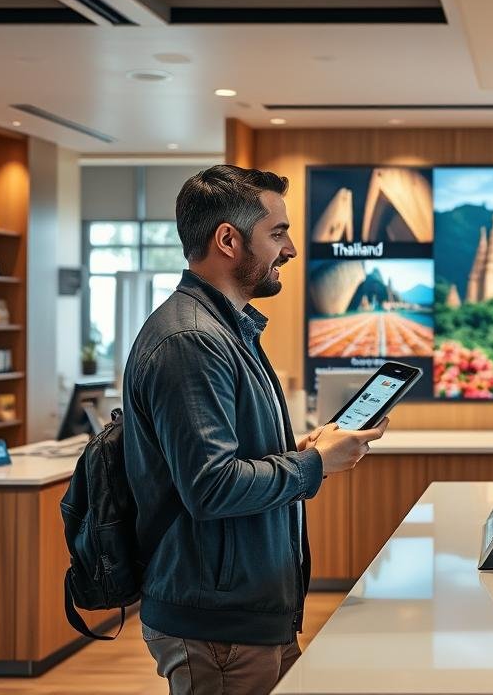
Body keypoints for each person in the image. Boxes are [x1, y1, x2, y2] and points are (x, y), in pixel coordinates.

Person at [124, 164, 388, 695]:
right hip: (218, 623)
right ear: (228, 239)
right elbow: (212, 487)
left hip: (250, 612)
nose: (289, 249)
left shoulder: (226, 330)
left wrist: (297, 451)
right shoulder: (192, 341)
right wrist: (312, 465)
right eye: (277, 233)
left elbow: (221, 460)